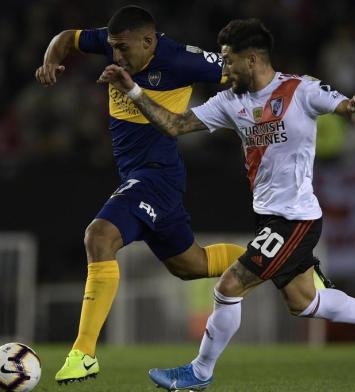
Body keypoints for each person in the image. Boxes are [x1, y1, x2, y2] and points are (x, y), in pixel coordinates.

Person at [97, 18, 355, 391]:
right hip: (268, 216)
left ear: (251, 60)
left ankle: (199, 372)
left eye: (228, 60)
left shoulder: (301, 90)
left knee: (228, 287)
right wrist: (135, 91)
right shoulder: (230, 101)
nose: (224, 68)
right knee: (304, 302)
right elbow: (175, 125)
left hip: (294, 218)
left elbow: (348, 108)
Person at [35, 5, 249, 384]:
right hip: (141, 176)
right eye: (112, 48)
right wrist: (50, 60)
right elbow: (66, 39)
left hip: (157, 176)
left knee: (99, 236)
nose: (116, 56)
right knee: (192, 265)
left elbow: (244, 70)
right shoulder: (112, 40)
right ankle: (279, 261)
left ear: (149, 41)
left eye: (124, 49)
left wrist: (249, 115)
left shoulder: (182, 60)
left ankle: (83, 353)